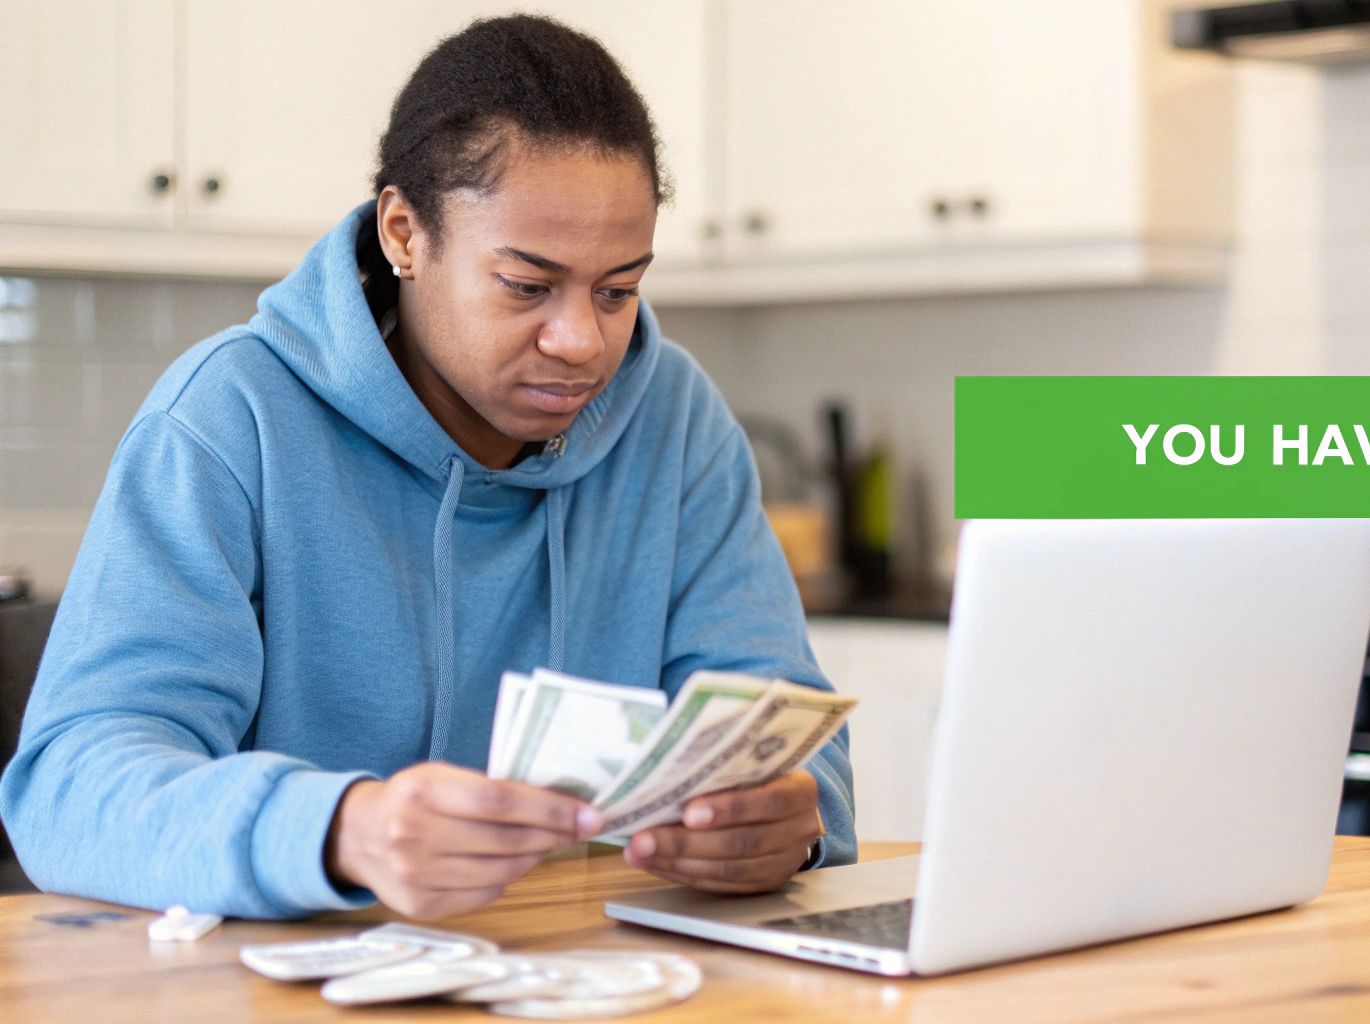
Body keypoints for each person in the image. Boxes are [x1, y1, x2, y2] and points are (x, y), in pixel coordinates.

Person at [0, 15, 854, 921]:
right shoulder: (228, 417)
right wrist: (340, 829)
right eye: (527, 286)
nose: (581, 342)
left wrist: (785, 819)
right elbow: (70, 784)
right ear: (405, 233)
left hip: (595, 980)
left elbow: (789, 731)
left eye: (618, 289)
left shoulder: (676, 422)